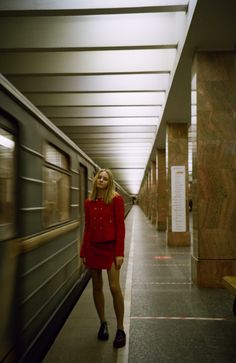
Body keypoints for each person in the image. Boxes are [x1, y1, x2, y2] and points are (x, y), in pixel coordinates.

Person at [80, 168, 126, 349]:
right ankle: (103, 323)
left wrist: (119, 253)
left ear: (109, 182)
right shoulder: (89, 202)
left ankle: (120, 329)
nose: (101, 180)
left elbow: (120, 228)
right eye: (99, 177)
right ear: (95, 180)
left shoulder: (116, 200)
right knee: (96, 286)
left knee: (115, 287)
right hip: (93, 248)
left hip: (110, 248)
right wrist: (83, 252)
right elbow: (88, 228)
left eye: (105, 178)